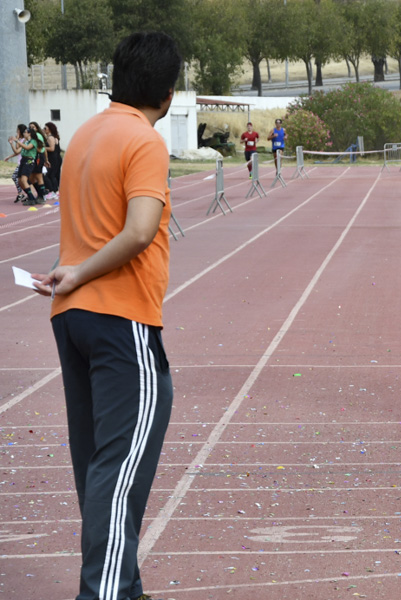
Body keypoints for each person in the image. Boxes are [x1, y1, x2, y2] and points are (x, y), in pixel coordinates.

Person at [31, 31, 182, 600]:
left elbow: (81, 228)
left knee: (98, 469)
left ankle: (126, 587)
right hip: (120, 316)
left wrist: (71, 273)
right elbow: (140, 231)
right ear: (166, 95)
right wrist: (87, 273)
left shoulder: (85, 134)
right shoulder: (142, 141)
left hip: (70, 317)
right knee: (118, 474)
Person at [43, 122, 62, 200]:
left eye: (45, 128)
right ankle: (55, 191)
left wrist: (43, 148)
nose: (44, 129)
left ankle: (54, 191)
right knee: (54, 174)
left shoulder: (50, 137)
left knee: (50, 175)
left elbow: (52, 148)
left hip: (53, 158)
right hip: (56, 158)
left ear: (49, 129)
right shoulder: (53, 137)